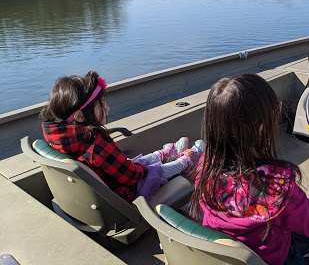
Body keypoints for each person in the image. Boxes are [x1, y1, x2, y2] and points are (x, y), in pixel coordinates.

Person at [191, 74, 309, 265]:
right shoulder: (274, 186)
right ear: (261, 128)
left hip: (235, 254)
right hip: (273, 258)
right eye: (276, 108)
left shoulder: (206, 166)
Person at [39, 71, 205, 203]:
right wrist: (146, 168)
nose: (108, 108)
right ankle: (185, 162)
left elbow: (122, 167)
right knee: (151, 170)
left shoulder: (58, 138)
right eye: (102, 104)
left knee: (136, 164)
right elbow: (131, 176)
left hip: (110, 183)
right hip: (125, 193)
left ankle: (162, 155)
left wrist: (139, 166)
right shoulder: (96, 144)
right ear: (80, 116)